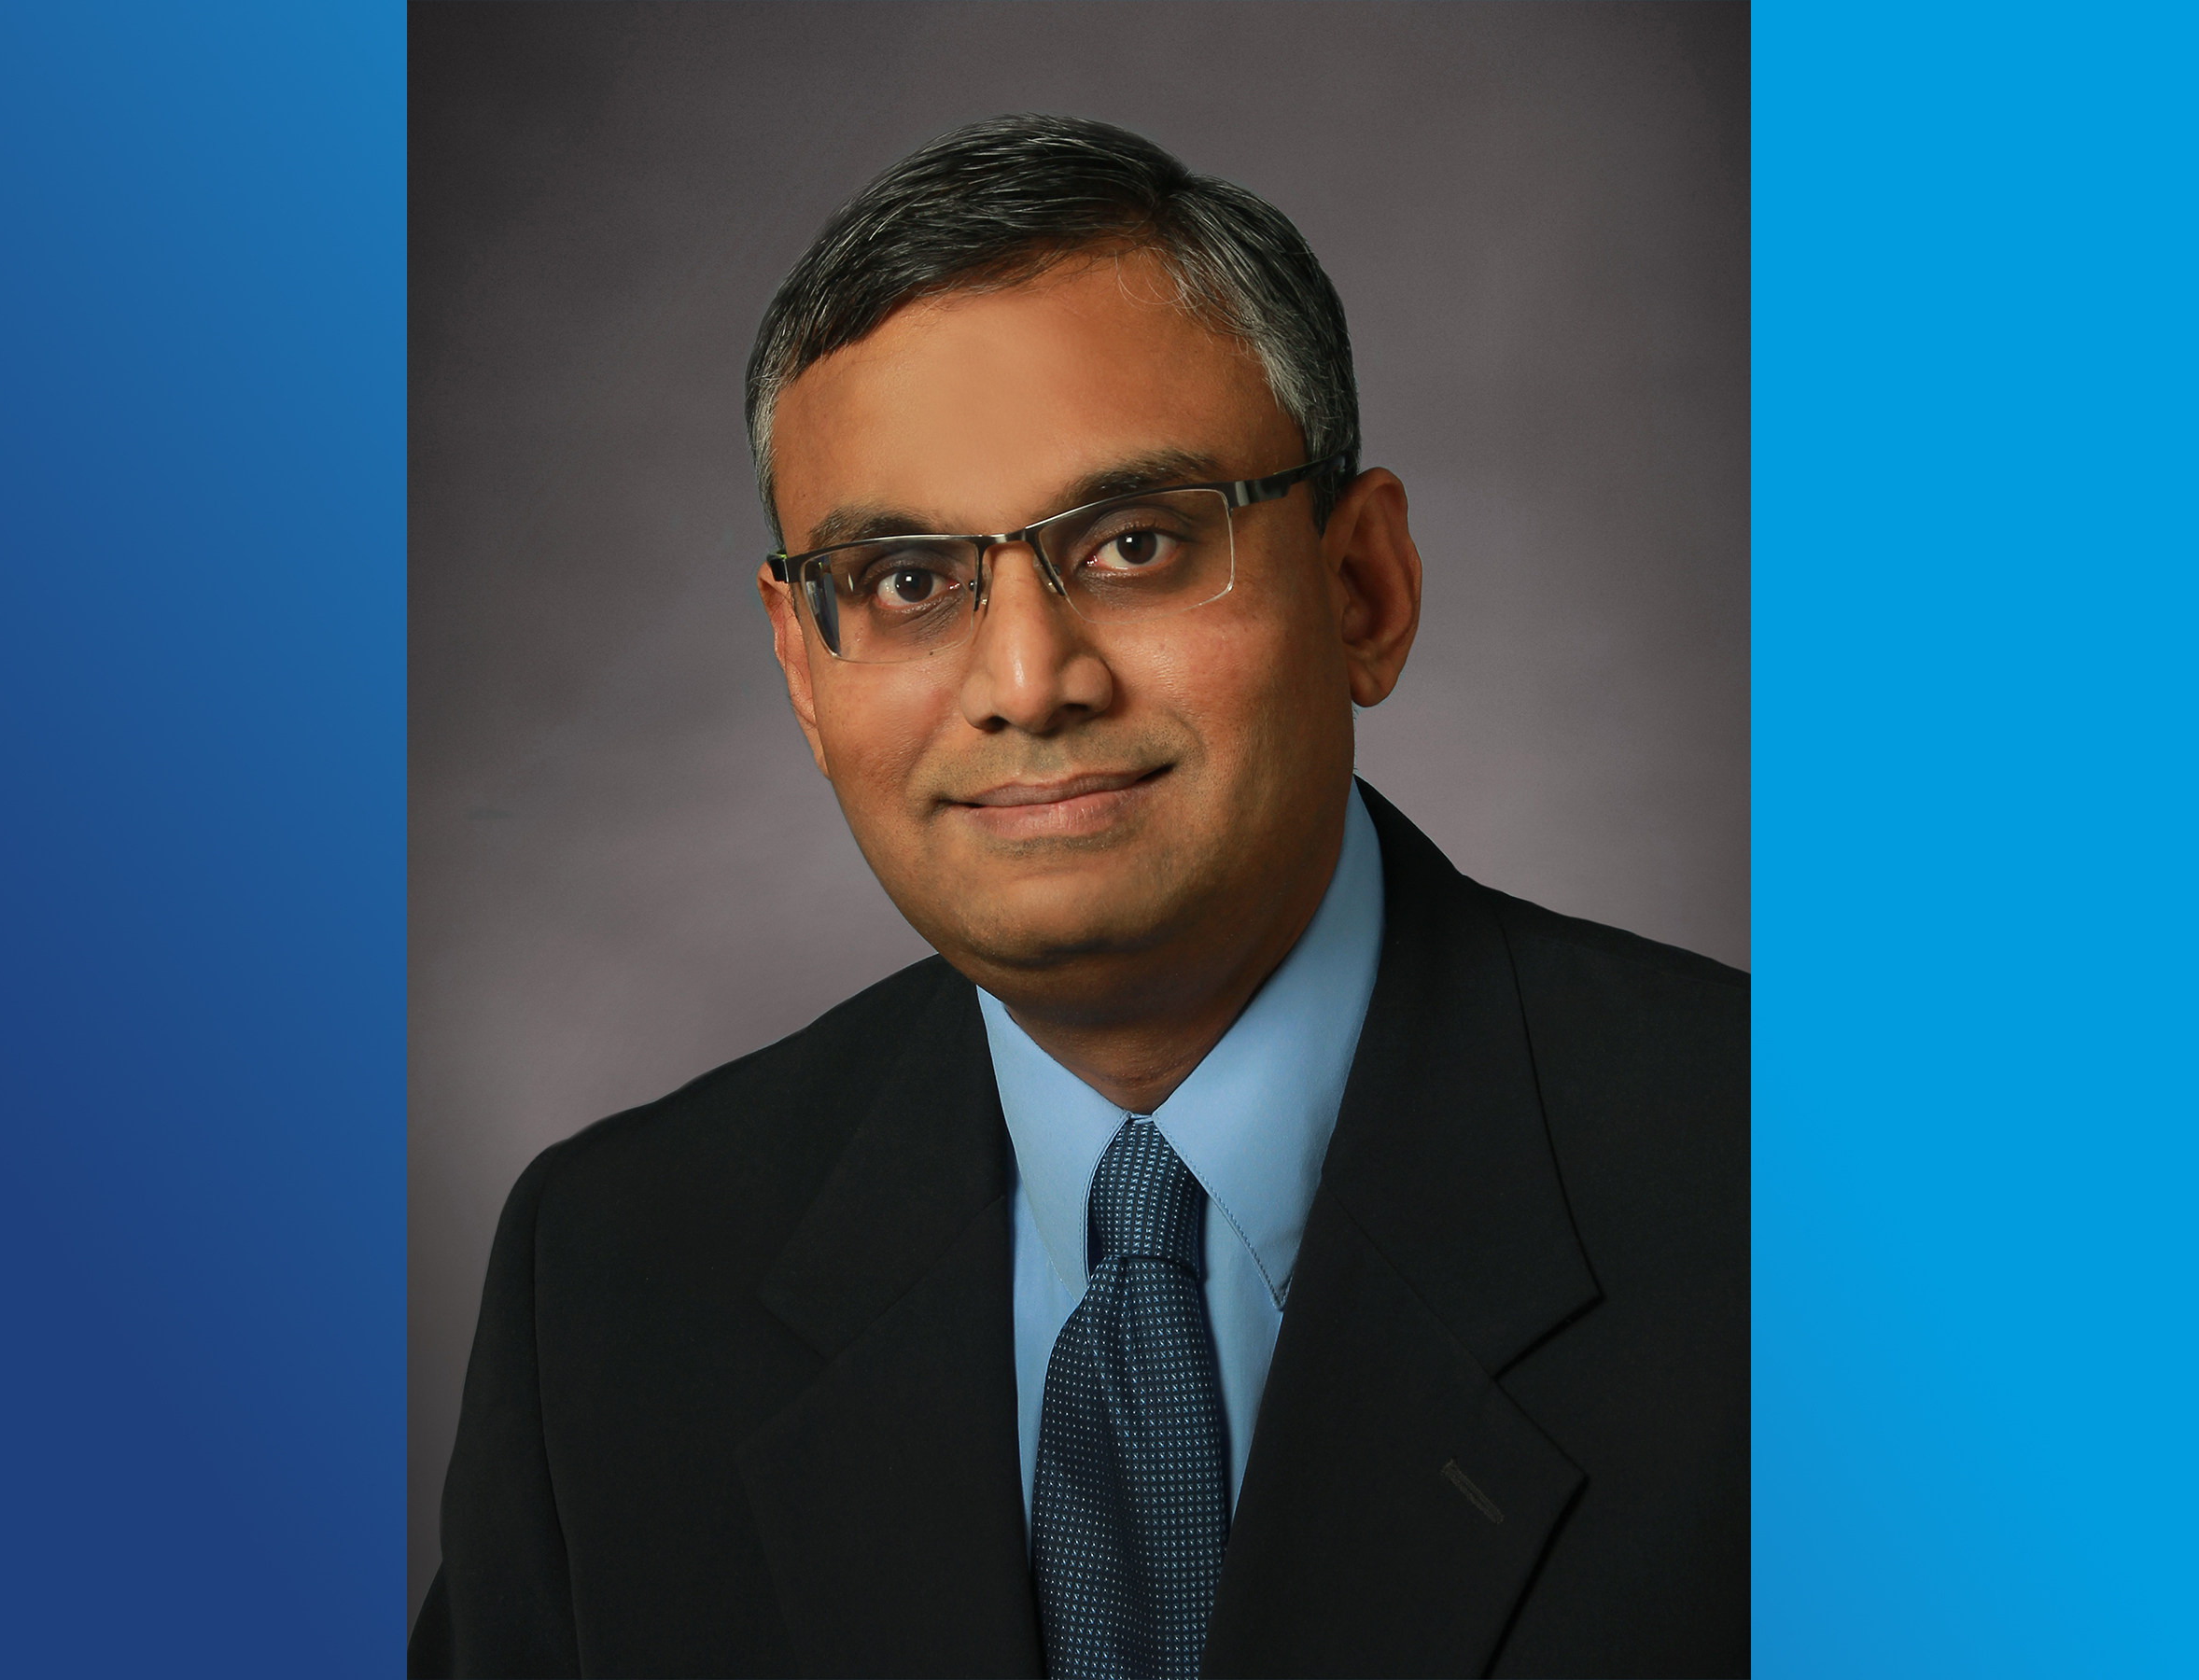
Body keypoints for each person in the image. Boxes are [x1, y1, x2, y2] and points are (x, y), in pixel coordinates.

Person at [411, 114, 1746, 1680]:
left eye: (1133, 543)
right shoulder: (618, 1280)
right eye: (908, 582)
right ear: (802, 664)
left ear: (1363, 588)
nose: (1029, 683)